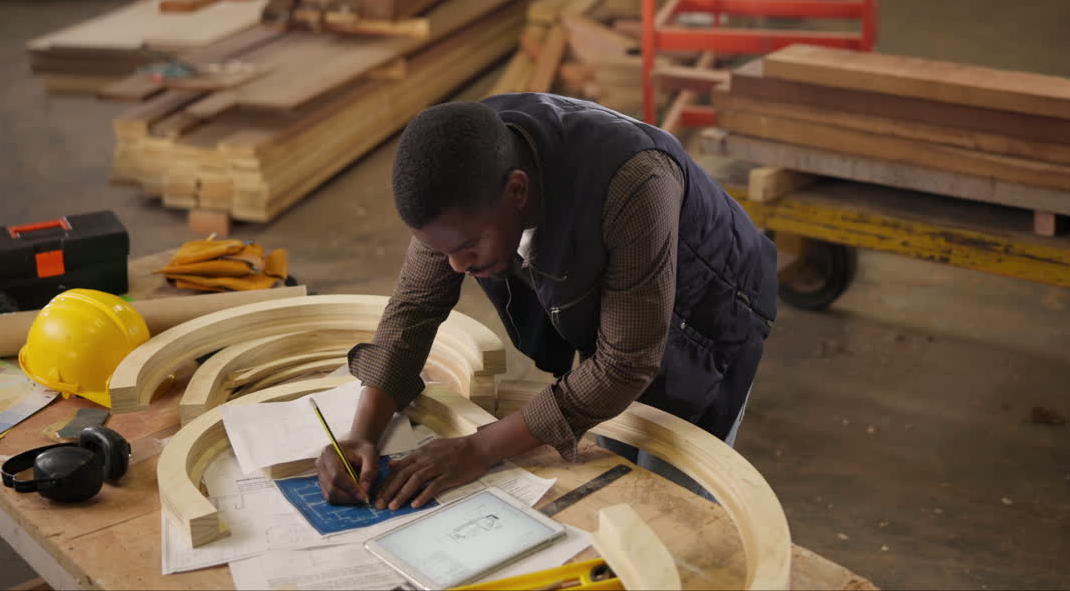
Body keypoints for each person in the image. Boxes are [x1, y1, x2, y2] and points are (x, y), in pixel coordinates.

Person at [316, 93, 777, 509]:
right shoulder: (462, 176)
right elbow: (415, 308)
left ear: (517, 191)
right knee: (619, 470)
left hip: (710, 304)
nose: (456, 265)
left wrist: (478, 449)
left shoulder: (634, 183)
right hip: (631, 286)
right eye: (443, 250)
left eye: (468, 246)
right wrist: (361, 435)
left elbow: (624, 365)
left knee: (673, 500)